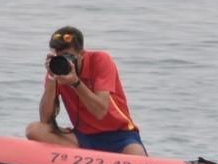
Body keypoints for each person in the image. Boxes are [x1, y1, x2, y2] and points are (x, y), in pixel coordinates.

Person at [25, 26, 147, 156]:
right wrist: (51, 78)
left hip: (120, 135)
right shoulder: (57, 71)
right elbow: (45, 120)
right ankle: (83, 162)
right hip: (84, 137)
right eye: (59, 56)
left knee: (137, 155)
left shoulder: (100, 60)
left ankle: (91, 162)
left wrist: (75, 83)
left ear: (81, 54)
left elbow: (100, 111)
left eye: (68, 56)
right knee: (34, 130)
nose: (65, 61)